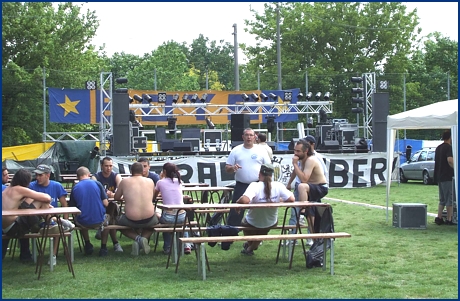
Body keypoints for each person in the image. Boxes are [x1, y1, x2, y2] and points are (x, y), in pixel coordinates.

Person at [237, 163, 295, 255]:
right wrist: (278, 200)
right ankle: (251, 247)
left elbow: (244, 200)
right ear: (272, 175)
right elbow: (291, 199)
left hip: (252, 221)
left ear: (259, 174)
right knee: (262, 228)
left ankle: (250, 247)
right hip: (271, 222)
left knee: (245, 223)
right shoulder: (278, 186)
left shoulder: (254, 186)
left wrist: (238, 203)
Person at [26, 164, 73, 266]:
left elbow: (64, 205)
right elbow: (28, 206)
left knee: (56, 228)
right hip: (36, 221)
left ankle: (53, 255)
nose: (37, 177)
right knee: (43, 203)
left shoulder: (56, 186)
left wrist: (66, 218)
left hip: (52, 219)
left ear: (48, 175)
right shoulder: (32, 186)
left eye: (40, 175)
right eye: (36, 175)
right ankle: (58, 222)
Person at [2, 169, 52, 260]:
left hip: (5, 228)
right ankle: (49, 224)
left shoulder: (7, 189)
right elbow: (47, 198)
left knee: (32, 200)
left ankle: (47, 223)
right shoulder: (20, 189)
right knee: (42, 201)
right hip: (14, 228)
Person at [225, 128, 271, 226]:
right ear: (243, 137)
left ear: (255, 137)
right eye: (247, 135)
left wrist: (268, 183)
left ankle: (258, 235)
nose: (249, 137)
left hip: (258, 185)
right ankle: (229, 236)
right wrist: (233, 168)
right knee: (235, 212)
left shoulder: (261, 151)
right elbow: (227, 168)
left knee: (259, 211)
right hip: (241, 185)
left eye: (251, 135)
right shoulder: (236, 150)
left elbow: (269, 167)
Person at [114, 162, 159, 256]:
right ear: (143, 171)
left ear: (131, 171)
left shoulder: (124, 181)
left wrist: (125, 197)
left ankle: (138, 239)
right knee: (154, 224)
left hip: (131, 219)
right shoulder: (150, 181)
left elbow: (116, 197)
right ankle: (143, 239)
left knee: (116, 223)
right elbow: (151, 197)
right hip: (150, 218)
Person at [68, 166, 111, 256]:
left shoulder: (75, 188)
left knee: (79, 216)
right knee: (108, 218)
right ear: (89, 175)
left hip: (83, 222)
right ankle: (103, 247)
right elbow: (106, 203)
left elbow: (72, 208)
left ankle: (87, 244)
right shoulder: (97, 184)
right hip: (99, 220)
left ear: (77, 177)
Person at [153, 162, 193, 255]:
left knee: (164, 223)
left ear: (164, 171)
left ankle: (168, 247)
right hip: (182, 215)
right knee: (184, 224)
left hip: (168, 216)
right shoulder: (179, 181)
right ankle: (187, 245)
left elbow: (154, 197)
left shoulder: (160, 182)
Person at [295, 140, 329, 233]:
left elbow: (304, 179)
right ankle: (315, 242)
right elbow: (296, 173)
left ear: (305, 151)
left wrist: (294, 164)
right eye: (295, 151)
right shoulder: (302, 160)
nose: (295, 153)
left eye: (298, 151)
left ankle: (301, 213)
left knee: (302, 186)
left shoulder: (311, 160)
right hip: (312, 188)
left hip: (320, 187)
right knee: (311, 216)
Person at [92, 157, 123, 252]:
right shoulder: (95, 177)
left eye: (110, 166)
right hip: (99, 207)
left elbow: (121, 190)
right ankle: (115, 243)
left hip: (113, 206)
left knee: (111, 210)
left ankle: (104, 244)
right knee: (111, 216)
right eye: (106, 166)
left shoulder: (116, 176)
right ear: (101, 166)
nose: (109, 168)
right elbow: (94, 193)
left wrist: (113, 194)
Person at [434, 130, 454, 225]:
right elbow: (450, 160)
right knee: (449, 198)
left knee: (442, 199)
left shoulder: (438, 148)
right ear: (450, 137)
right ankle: (449, 219)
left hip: (439, 176)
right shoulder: (449, 148)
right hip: (447, 176)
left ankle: (439, 217)